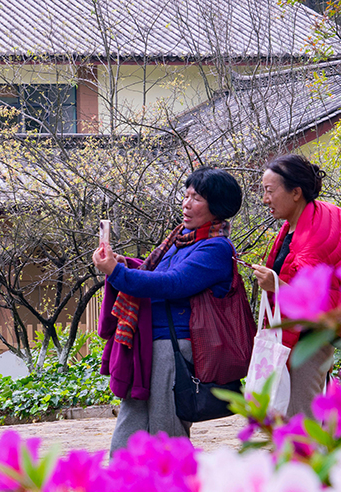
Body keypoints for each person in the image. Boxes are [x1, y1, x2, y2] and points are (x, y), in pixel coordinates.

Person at [93, 167, 241, 452]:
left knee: (166, 431)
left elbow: (173, 283)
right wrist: (122, 264)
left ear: (217, 205)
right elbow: (156, 271)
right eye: (186, 195)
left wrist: (115, 272)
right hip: (149, 344)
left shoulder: (216, 248)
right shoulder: (180, 239)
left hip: (174, 349)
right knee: (130, 425)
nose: (186, 204)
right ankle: (118, 489)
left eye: (196, 197)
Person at [251, 154, 341, 418]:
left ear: (296, 192)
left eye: (270, 191)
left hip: (312, 339)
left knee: (301, 420)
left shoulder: (314, 237)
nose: (265, 199)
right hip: (303, 336)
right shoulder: (302, 223)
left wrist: (276, 285)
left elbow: (317, 300)